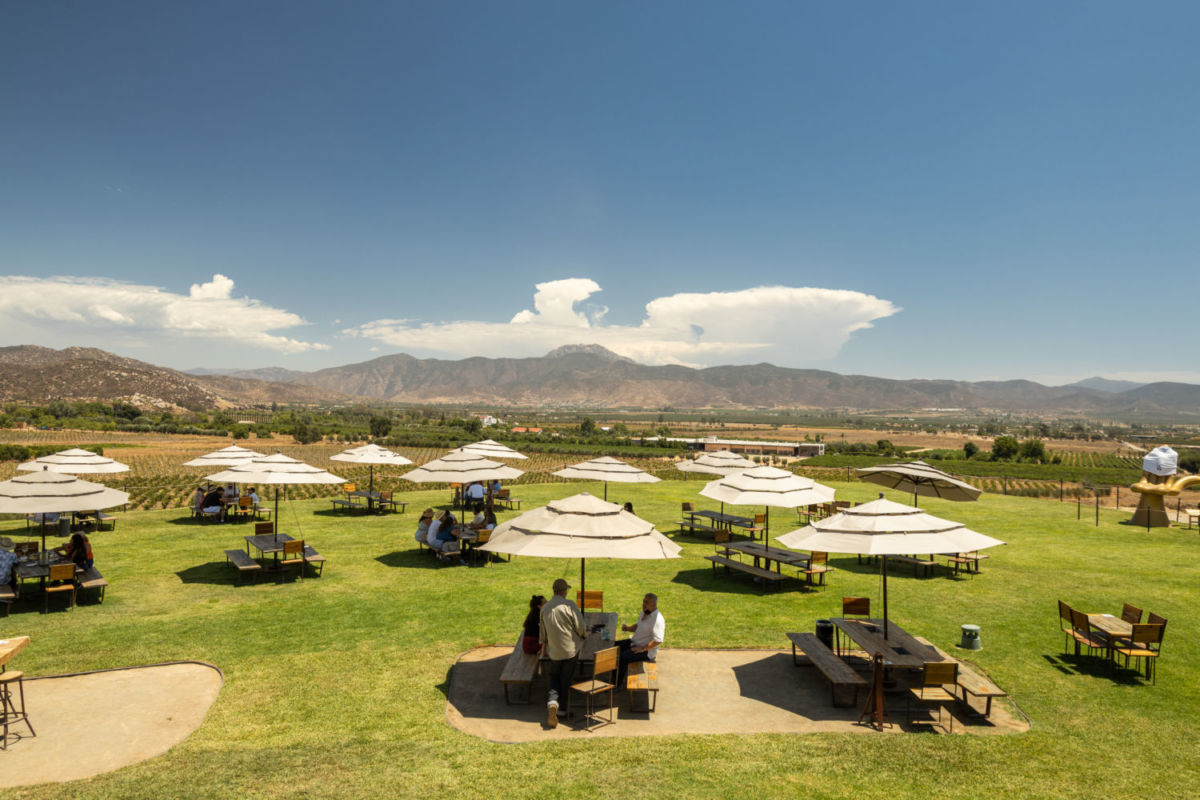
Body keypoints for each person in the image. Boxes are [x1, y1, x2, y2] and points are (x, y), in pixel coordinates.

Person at [539, 578, 585, 728]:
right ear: (564, 591)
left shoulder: (545, 608)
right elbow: (580, 626)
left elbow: (543, 634)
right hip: (570, 651)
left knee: (554, 678)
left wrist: (545, 648)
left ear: (554, 591)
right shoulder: (569, 605)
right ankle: (563, 710)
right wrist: (583, 635)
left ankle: (552, 702)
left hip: (554, 652)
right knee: (565, 680)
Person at [615, 593, 664, 687]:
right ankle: (614, 676)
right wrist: (628, 628)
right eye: (643, 601)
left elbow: (658, 640)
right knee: (614, 646)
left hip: (646, 652)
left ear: (653, 604)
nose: (644, 604)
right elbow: (638, 626)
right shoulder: (645, 612)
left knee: (622, 657)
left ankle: (617, 684)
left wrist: (643, 648)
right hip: (634, 642)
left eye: (647, 602)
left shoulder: (657, 620)